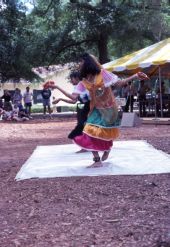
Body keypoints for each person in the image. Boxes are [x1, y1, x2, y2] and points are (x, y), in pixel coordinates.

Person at [48, 53, 148, 167]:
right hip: (95, 109)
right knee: (88, 131)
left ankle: (107, 148)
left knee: (104, 132)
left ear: (87, 62)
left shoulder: (103, 73)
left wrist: (135, 76)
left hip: (110, 109)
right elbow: (73, 98)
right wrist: (57, 87)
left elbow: (119, 83)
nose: (79, 65)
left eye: (80, 62)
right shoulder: (83, 81)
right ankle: (97, 160)